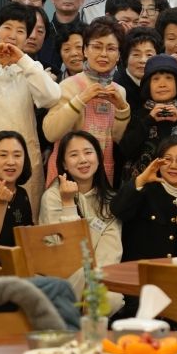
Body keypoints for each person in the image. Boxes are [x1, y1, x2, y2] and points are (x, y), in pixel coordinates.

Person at [0, 3, 61, 215]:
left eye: (21, 31)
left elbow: (52, 97)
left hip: (23, 161)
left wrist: (23, 60)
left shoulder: (31, 68)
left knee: (24, 221)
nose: (12, 36)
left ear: (27, 38)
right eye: (7, 27)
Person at [39, 131, 123, 311]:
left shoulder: (110, 200)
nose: (83, 160)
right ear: (64, 164)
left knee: (112, 299)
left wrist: (94, 280)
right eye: (74, 155)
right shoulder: (52, 196)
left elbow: (111, 251)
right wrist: (68, 203)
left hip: (96, 277)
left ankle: (80, 323)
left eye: (88, 152)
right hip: (59, 274)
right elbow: (66, 249)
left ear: (99, 158)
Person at [42, 18, 130, 186]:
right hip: (66, 174)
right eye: (97, 47)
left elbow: (118, 139)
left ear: (119, 55)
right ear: (85, 51)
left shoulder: (119, 91)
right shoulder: (68, 85)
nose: (103, 54)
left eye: (111, 48)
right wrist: (81, 99)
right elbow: (51, 133)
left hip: (101, 174)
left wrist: (122, 108)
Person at [112, 135, 177, 260]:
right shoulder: (144, 189)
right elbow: (117, 211)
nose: (173, 166)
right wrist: (141, 179)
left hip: (176, 270)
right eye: (167, 159)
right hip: (141, 268)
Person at [119, 54, 177, 185]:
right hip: (144, 185)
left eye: (168, 78)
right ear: (148, 85)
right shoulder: (139, 115)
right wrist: (148, 120)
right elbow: (126, 151)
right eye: (156, 79)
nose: (162, 84)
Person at [0, 131, 33, 245]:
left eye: (17, 155)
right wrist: (0, 203)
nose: (11, 162)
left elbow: (28, 234)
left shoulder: (22, 194)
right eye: (3, 155)